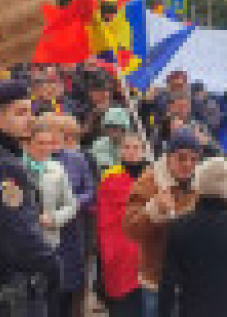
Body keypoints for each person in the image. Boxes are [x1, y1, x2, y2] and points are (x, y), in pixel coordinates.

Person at [0, 79, 60, 316]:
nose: (30, 119)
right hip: (9, 289)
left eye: (31, 111)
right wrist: (51, 264)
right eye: (21, 112)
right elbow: (19, 231)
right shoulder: (1, 165)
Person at [158, 157, 227, 317]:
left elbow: (168, 282)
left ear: (199, 184)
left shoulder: (179, 227)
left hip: (191, 310)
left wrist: (163, 312)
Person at [123, 129, 201, 317]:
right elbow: (131, 229)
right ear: (168, 157)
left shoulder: (202, 182)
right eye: (181, 158)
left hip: (193, 283)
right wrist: (154, 209)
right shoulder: (148, 182)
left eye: (193, 159)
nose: (187, 164)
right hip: (156, 282)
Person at [22, 118, 79, 316]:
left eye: (49, 143)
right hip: (22, 250)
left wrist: (54, 218)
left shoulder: (57, 169)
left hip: (50, 246)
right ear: (27, 144)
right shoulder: (16, 168)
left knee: (49, 301)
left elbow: (72, 205)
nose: (46, 148)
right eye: (40, 143)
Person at [97, 133, 150, 317]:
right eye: (127, 147)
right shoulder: (109, 178)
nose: (131, 152)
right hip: (120, 252)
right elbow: (105, 220)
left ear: (143, 151)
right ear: (120, 151)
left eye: (136, 148)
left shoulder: (153, 178)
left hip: (147, 253)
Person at [52, 115, 95, 317]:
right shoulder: (34, 159)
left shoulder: (77, 160)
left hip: (72, 230)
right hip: (46, 230)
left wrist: (76, 203)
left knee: (72, 289)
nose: (54, 138)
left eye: (59, 134)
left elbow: (90, 190)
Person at [90, 107, 132, 172]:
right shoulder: (98, 146)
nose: (113, 131)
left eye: (117, 127)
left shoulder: (134, 144)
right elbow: (101, 169)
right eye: (109, 126)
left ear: (124, 128)